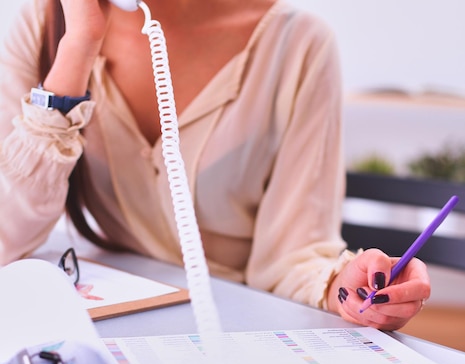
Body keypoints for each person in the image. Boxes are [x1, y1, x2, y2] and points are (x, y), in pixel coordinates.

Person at [0, 0, 430, 331]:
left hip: (234, 326)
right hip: (112, 323)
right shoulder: (47, 25)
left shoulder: (298, 44)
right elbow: (7, 236)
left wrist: (348, 286)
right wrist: (78, 47)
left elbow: (291, 257)